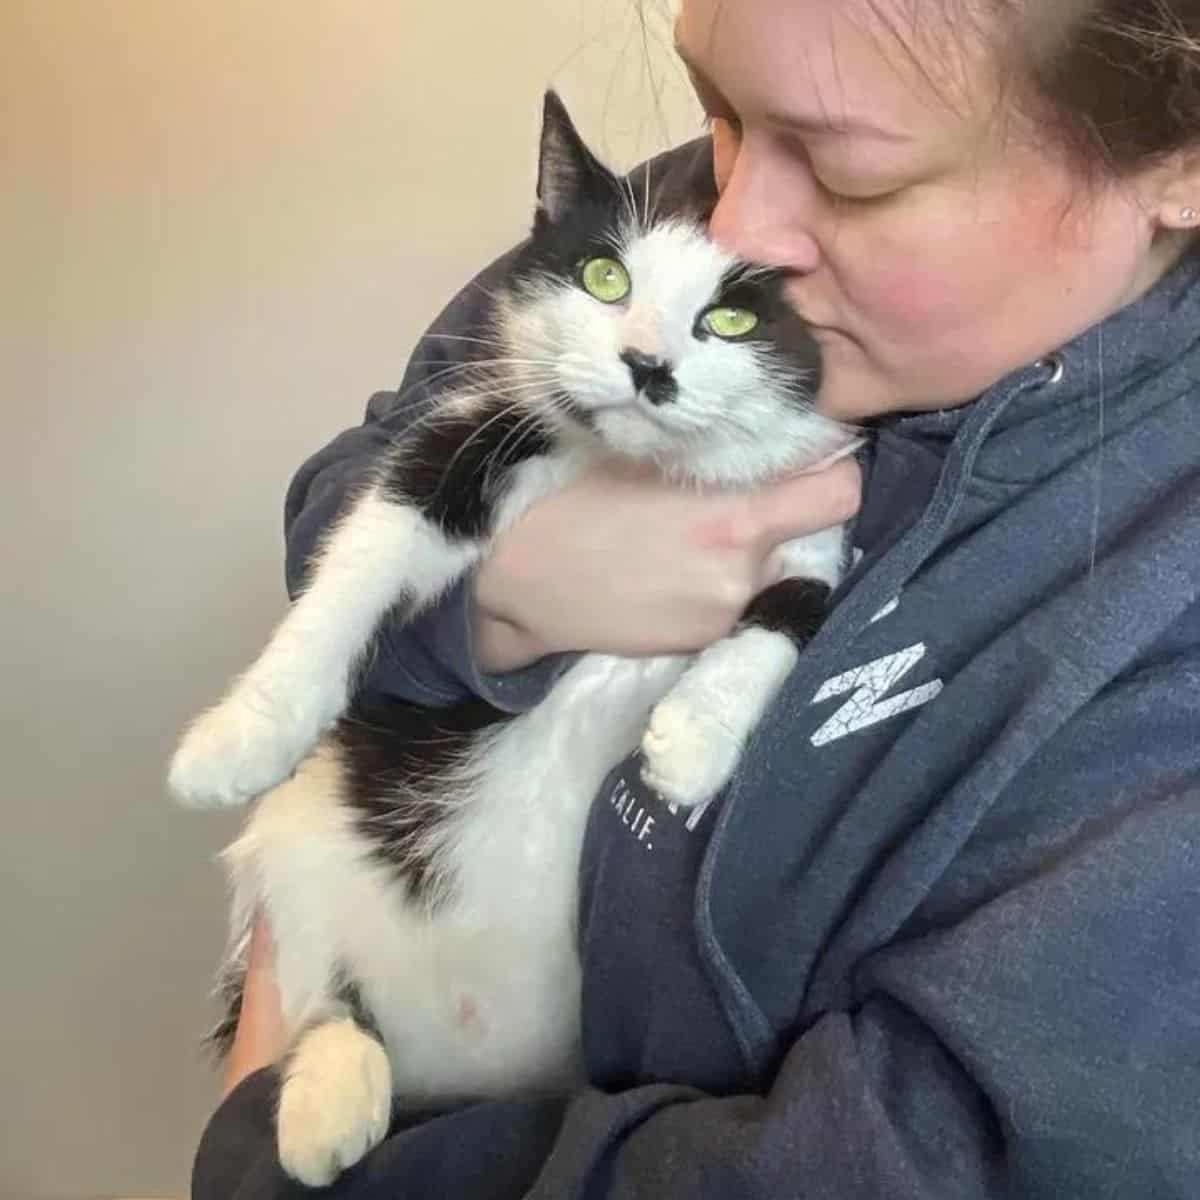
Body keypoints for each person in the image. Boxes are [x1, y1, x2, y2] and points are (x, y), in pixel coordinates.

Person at [192, 1, 1200, 1195]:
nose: (734, 222)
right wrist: (495, 599)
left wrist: (279, 1167)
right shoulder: (682, 208)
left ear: (1178, 160)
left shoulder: (1156, 600)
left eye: (846, 171)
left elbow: (935, 1158)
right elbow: (363, 480)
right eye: (717, 110)